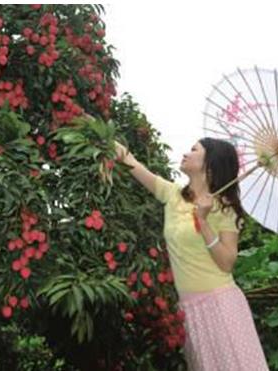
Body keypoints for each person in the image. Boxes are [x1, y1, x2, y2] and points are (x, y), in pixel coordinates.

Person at [114, 137, 269, 371]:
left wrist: (203, 222)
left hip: (220, 304)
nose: (186, 153)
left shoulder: (225, 207)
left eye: (194, 150)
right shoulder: (173, 194)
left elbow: (227, 262)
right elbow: (130, 161)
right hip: (189, 310)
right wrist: (99, 132)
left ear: (209, 164)